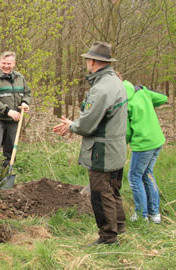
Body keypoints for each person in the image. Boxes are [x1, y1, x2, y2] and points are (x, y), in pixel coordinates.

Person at [53, 41, 128, 246]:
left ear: (93, 62)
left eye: (88, 59)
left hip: (102, 150)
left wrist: (72, 126)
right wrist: (75, 124)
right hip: (117, 147)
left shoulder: (101, 88)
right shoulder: (116, 82)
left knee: (100, 193)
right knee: (113, 189)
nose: (87, 62)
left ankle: (108, 237)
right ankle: (119, 226)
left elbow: (88, 124)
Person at [122, 79, 167, 224]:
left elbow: (127, 131)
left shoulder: (125, 102)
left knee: (135, 176)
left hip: (144, 144)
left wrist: (124, 142)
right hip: (157, 140)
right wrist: (145, 90)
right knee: (147, 173)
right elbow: (163, 98)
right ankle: (155, 214)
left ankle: (142, 215)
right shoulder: (141, 92)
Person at [0, 51, 31, 167]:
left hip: (14, 120)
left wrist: (25, 102)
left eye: (9, 63)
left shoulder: (20, 77)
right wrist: (7, 111)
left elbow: (27, 93)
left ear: (14, 64)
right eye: (3, 63)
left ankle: (6, 175)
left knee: (10, 149)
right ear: (0, 62)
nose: (6, 66)